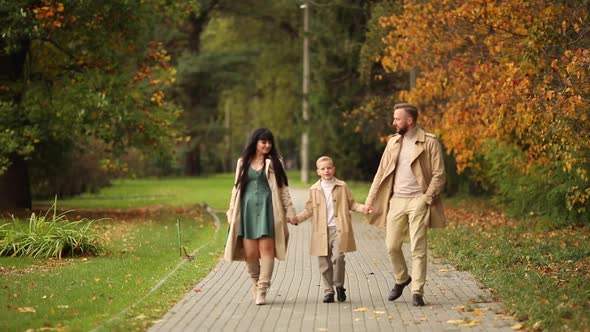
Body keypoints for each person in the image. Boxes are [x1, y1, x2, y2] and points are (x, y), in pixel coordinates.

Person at [364, 103, 446, 307]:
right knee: (391, 245)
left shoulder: (429, 142)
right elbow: (381, 173)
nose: (394, 122)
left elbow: (439, 174)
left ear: (409, 121)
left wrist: (426, 198)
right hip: (396, 200)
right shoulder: (393, 143)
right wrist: (370, 199)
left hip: (419, 199)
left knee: (418, 247)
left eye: (397, 119)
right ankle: (402, 278)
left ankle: (417, 291)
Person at [224, 128, 296, 305]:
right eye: (263, 142)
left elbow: (283, 189)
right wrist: (231, 211)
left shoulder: (275, 162)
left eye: (269, 142)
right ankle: (255, 284)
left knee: (267, 251)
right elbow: (236, 188)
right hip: (246, 211)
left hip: (268, 210)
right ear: (255, 142)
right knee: (250, 253)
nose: (267, 145)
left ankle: (262, 289)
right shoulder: (243, 162)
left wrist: (290, 211)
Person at [291, 156, 369, 303]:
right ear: (318, 172)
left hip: (339, 229)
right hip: (320, 231)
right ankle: (328, 291)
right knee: (324, 263)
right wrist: (297, 219)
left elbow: (351, 204)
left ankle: (339, 285)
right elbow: (309, 209)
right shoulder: (314, 189)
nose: (326, 170)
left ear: (333, 169)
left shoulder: (342, 186)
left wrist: (362, 208)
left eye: (329, 167)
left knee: (338, 258)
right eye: (323, 168)